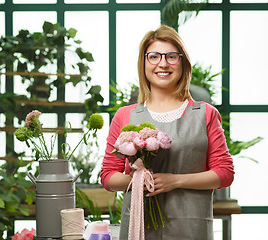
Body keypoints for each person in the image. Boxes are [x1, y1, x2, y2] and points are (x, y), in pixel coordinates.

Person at [100, 25, 234, 240]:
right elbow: (108, 177)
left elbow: (225, 174)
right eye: (153, 56)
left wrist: (175, 181)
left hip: (191, 227)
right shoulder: (124, 116)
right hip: (139, 226)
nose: (163, 63)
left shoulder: (206, 114)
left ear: (183, 63)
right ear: (143, 63)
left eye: (171, 56)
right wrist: (139, 180)